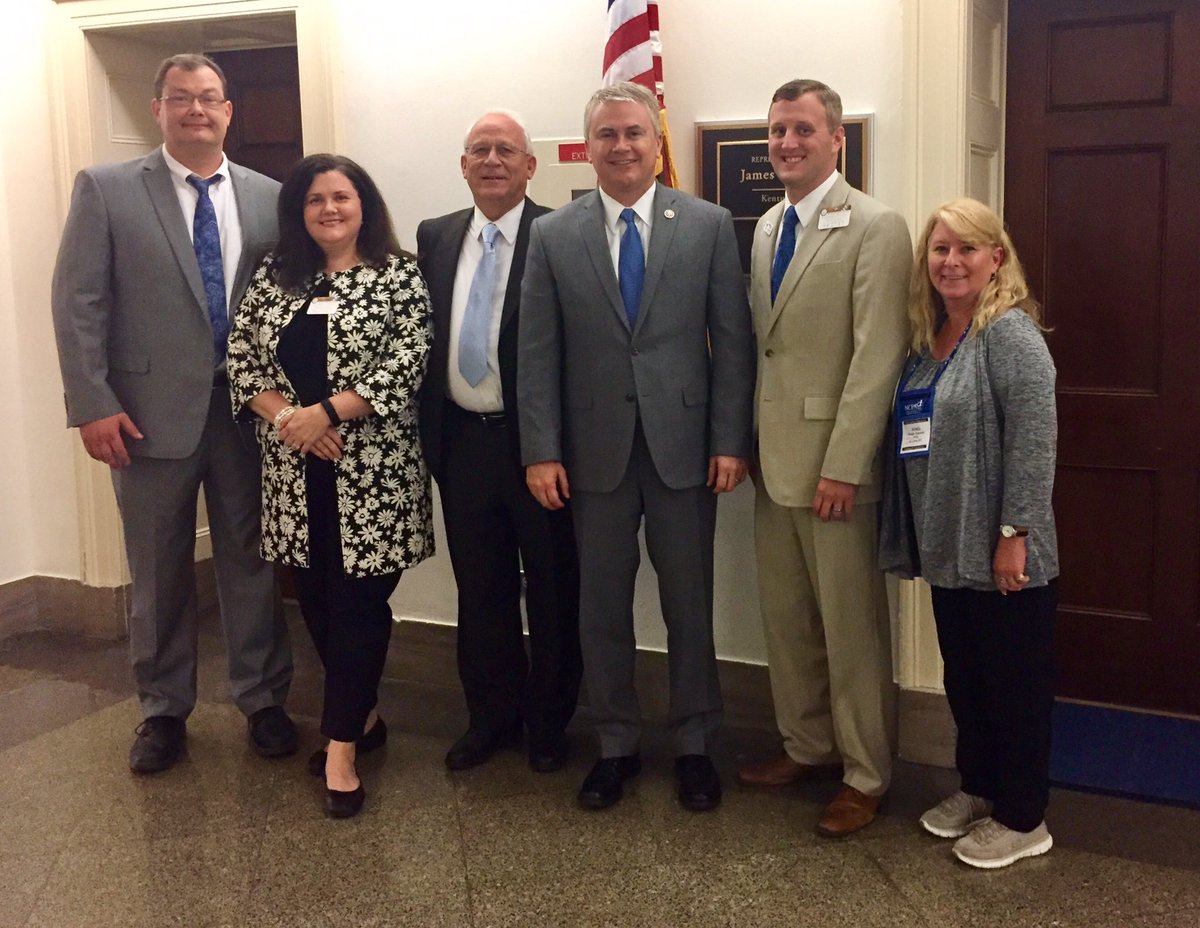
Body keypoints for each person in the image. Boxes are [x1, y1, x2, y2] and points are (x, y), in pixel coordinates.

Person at [51, 53, 295, 774]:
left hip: (248, 415)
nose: (197, 110)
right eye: (181, 98)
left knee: (252, 561)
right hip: (146, 417)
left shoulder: (268, 196)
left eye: (210, 98)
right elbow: (79, 302)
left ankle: (264, 700)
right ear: (157, 108)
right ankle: (162, 711)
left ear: (229, 111)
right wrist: (93, 403)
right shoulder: (107, 188)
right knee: (157, 569)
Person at [518, 82, 755, 812]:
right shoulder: (555, 234)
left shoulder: (709, 225)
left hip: (687, 450)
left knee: (689, 605)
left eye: (634, 134)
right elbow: (537, 353)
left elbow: (734, 344)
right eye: (607, 136)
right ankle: (615, 743)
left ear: (657, 143)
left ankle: (694, 744)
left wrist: (728, 439)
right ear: (586, 148)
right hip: (592, 456)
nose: (621, 147)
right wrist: (540, 450)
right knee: (601, 606)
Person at [227, 154, 433, 818]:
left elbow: (410, 358)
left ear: (363, 204)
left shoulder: (399, 273)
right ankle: (365, 716)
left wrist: (330, 412)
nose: (329, 209)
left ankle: (340, 746)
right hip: (293, 472)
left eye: (341, 196)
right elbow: (240, 356)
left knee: (359, 608)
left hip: (373, 477)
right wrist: (291, 418)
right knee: (314, 599)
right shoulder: (274, 276)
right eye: (315, 200)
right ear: (299, 211)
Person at [738, 78, 911, 837]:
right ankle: (806, 746)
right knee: (788, 622)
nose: (787, 143)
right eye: (778, 130)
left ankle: (866, 773)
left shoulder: (875, 226)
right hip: (773, 465)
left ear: (836, 139)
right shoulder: (768, 225)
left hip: (835, 469)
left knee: (852, 630)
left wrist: (847, 463)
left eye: (803, 129)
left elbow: (878, 357)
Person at [880, 197, 1058, 869]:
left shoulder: (1010, 336)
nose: (950, 262)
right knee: (969, 680)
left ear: (996, 259)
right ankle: (979, 787)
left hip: (1005, 552)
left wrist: (1015, 532)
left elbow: (1034, 444)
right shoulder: (930, 339)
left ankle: (1023, 817)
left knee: (1014, 687)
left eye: (966, 249)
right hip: (948, 547)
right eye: (940, 250)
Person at [417, 111, 581, 774]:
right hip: (461, 444)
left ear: (530, 165)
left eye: (505, 150)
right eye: (479, 150)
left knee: (551, 589)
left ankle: (547, 724)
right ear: (463, 165)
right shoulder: (435, 236)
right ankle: (488, 717)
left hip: (539, 447)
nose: (492, 160)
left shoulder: (562, 234)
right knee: (479, 591)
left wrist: (555, 445)